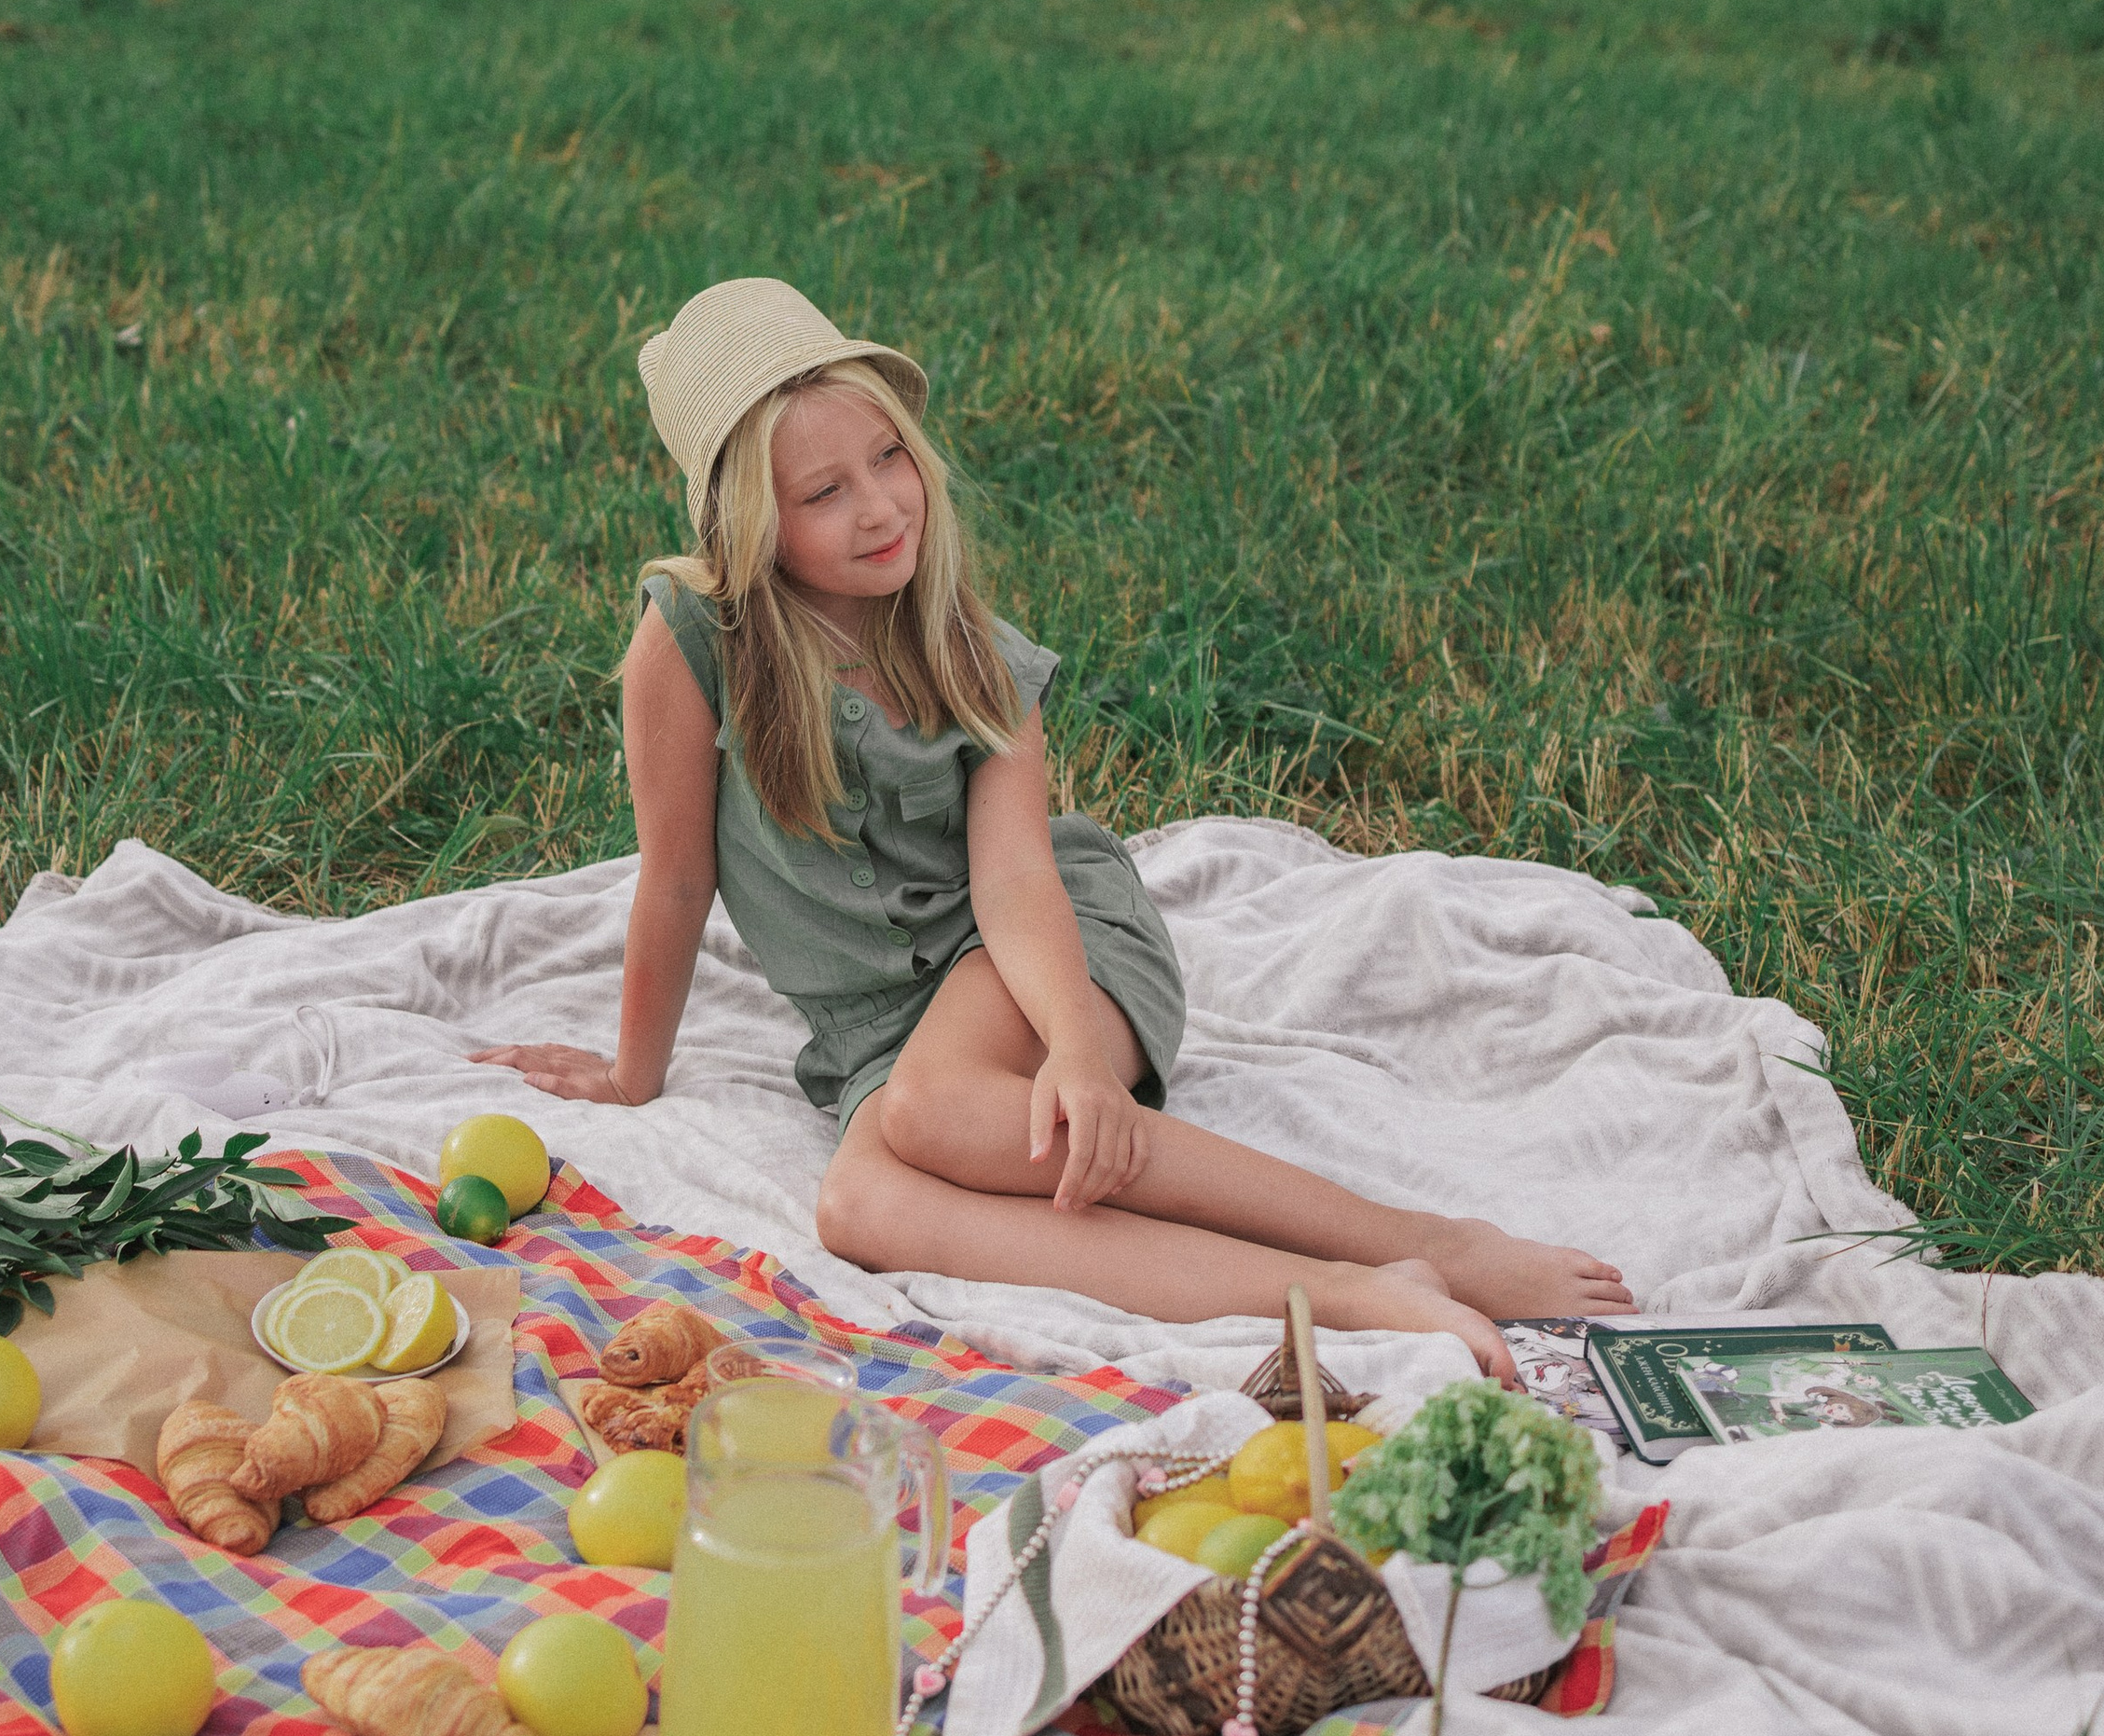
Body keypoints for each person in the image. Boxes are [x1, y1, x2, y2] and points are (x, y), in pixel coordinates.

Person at [476, 278, 1633, 1381]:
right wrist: (635, 1075)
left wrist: (1079, 1049)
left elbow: (1019, 879)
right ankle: (1347, 1294)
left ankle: (1423, 1237)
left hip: (1049, 954)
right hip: (882, 1032)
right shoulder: (691, 643)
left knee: (937, 1112)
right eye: (821, 493)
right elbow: (675, 878)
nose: (878, 506)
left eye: (888, 460)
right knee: (862, 1207)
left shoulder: (967, 648)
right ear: (746, 521)